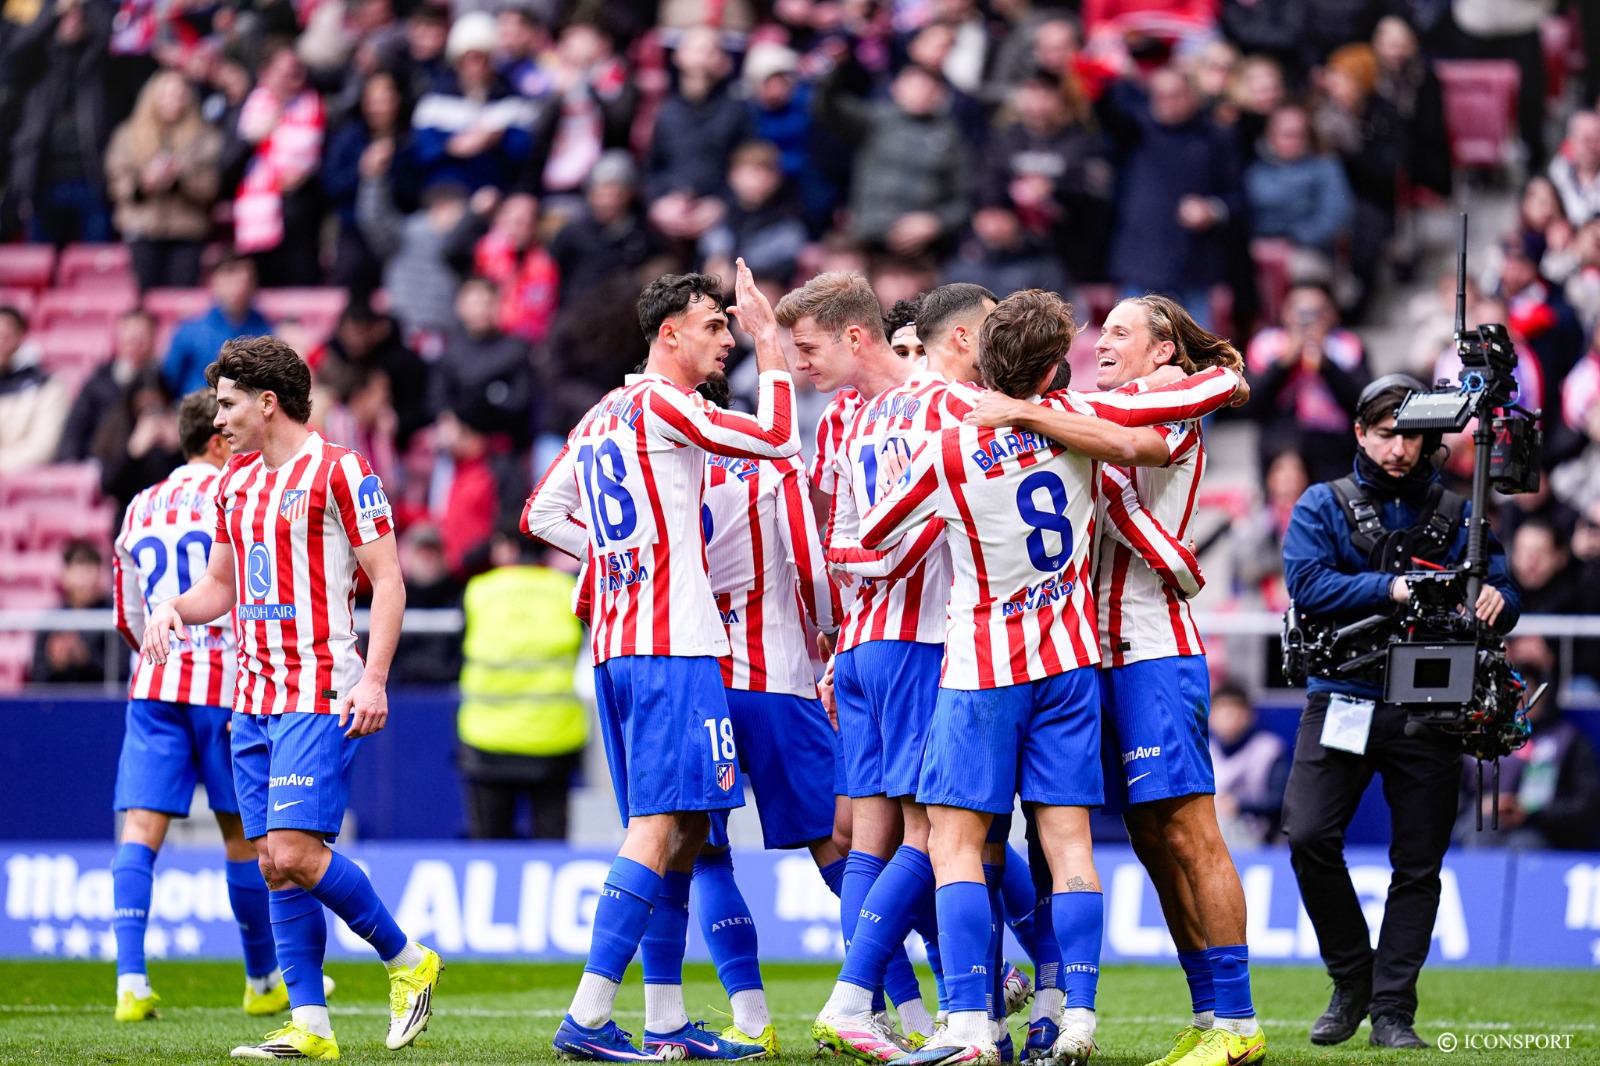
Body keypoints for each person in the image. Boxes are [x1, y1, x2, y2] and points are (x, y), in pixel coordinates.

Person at [960, 296, 1260, 1066]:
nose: (1102, 343)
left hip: (1154, 646)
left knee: (1192, 830)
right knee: (1150, 837)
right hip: (1086, 655)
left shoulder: (1168, 404)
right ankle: (1207, 1012)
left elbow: (1211, 393)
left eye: (1121, 332)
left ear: (1163, 353)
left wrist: (1023, 413)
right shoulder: (1084, 408)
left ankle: (1240, 1021)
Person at [523, 262, 798, 1061]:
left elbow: (541, 513)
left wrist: (618, 560)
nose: (727, 341)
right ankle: (588, 1014)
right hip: (671, 645)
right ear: (669, 334)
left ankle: (669, 1022)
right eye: (715, 327)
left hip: (619, 641)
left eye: (730, 327)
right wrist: (770, 344)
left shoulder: (602, 413)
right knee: (659, 827)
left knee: (680, 830)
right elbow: (777, 439)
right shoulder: (667, 404)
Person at [139, 335, 442, 1060]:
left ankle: (409, 963)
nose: (220, 418)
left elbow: (389, 580)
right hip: (253, 696)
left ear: (267, 402)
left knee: (296, 852)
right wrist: (174, 607)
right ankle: (311, 1024)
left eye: (229, 402)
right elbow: (220, 585)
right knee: (271, 862)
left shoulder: (342, 471)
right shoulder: (233, 481)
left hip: (318, 690)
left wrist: (373, 676)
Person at [1280, 374, 1520, 1051]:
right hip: (1342, 694)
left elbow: (1502, 583)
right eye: (1387, 433)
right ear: (1360, 432)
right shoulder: (1321, 504)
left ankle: (1393, 1012)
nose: (1399, 449)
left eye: (1412, 436)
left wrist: (1500, 599)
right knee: (1307, 836)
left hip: (1432, 708)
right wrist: (1393, 587)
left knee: (1418, 865)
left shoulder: (1457, 507)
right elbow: (1307, 583)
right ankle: (1352, 977)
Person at [108, 390, 290, 1022]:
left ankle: (130, 982)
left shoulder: (140, 505)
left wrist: (152, 653)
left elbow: (128, 613)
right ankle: (262, 978)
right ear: (215, 441)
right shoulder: (236, 493)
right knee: (241, 837)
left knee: (140, 830)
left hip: (155, 685)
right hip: (225, 684)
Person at [685, 371, 844, 1053]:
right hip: (775, 680)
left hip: (692, 683)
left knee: (705, 857)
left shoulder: (664, 467)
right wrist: (833, 628)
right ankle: (916, 1008)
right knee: (847, 846)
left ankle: (751, 1018)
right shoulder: (771, 462)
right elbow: (810, 565)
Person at [456, 527, 587, 840]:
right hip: (555, 740)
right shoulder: (567, 590)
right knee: (551, 845)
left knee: (487, 849)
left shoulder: (478, 592)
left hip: (487, 740)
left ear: (505, 547)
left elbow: (453, 657)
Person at [1455, 636, 1600, 851]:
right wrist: (1482, 807)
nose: (1521, 700)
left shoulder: (1568, 740)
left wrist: (1533, 813)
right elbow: (1446, 799)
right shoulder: (1475, 739)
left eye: (1528, 691)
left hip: (1541, 833)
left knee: (1525, 844)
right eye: (1513, 693)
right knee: (1482, 831)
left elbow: (1586, 805)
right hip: (1479, 826)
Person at [104, 70, 223, 292]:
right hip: (142, 226)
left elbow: (212, 185)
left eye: (179, 95)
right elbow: (116, 179)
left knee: (182, 298)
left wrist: (180, 180)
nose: (173, 102)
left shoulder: (205, 136)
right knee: (145, 297)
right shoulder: (128, 134)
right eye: (166, 95)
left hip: (188, 229)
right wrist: (142, 184)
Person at [1242, 283, 1371, 484]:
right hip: (1281, 449)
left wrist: (1327, 365)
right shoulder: (1266, 346)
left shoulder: (1347, 347)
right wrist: (1284, 363)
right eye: (1300, 312)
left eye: (1316, 313)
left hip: (1334, 449)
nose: (1308, 321)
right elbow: (1249, 404)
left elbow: (1364, 404)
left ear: (1332, 314)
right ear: (1285, 313)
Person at [228, 45, 325, 287]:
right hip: (257, 226)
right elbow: (225, 170)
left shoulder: (317, 107)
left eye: (297, 70)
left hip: (301, 222)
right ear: (265, 73)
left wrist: (306, 176)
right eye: (284, 70)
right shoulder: (245, 111)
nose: (292, 75)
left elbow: (330, 165)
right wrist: (251, 141)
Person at [161, 256, 274, 397]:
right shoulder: (189, 332)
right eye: (231, 278)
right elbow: (168, 382)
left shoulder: (268, 333)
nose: (241, 286)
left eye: (247, 279)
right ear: (215, 281)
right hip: (199, 411)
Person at [31, 539, 125, 685]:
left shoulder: (114, 617)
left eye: (90, 568)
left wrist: (85, 659)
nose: (85, 578)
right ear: (65, 574)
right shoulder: (51, 622)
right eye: (79, 567)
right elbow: (36, 678)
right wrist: (55, 664)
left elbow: (122, 673)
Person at [1208, 681, 1288, 850]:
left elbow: (1281, 803)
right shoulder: (1203, 751)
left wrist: (1239, 805)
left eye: (1235, 711)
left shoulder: (1268, 749)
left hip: (1257, 836)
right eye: (1223, 711)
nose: (1229, 718)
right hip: (1210, 830)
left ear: (1249, 715)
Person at [0, 306, 71, 473]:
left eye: (6, 335)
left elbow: (44, 447)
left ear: (20, 337)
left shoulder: (47, 386)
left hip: (22, 480)